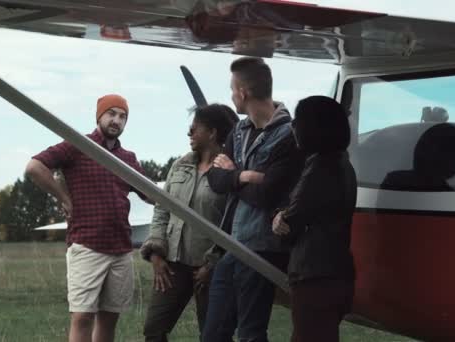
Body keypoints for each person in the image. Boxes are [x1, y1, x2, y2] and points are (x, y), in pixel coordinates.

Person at [25, 94, 147, 342]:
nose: (117, 120)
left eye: (122, 116)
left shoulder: (128, 158)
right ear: (99, 116)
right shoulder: (78, 145)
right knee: (82, 317)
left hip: (121, 248)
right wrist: (63, 197)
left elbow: (151, 195)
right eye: (111, 114)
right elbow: (35, 167)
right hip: (87, 245)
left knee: (109, 318)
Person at [202, 57, 305, 342]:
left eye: (232, 89)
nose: (231, 95)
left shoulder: (290, 136)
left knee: (251, 333)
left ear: (243, 92)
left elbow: (268, 193)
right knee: (213, 334)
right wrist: (244, 176)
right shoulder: (239, 130)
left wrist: (232, 174)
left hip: (264, 248)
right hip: (234, 245)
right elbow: (215, 178)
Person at [140, 104, 239, 342]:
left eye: (194, 128)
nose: (189, 133)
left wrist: (213, 265)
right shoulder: (179, 165)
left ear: (212, 133)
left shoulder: (230, 171)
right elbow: (162, 209)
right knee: (153, 330)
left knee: (212, 335)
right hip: (172, 264)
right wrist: (155, 253)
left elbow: (234, 223)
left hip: (210, 269)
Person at [272, 95, 357, 342]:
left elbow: (291, 222)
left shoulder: (320, 166)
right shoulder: (343, 163)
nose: (293, 125)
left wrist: (279, 216)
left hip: (315, 276)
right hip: (336, 273)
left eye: (300, 119)